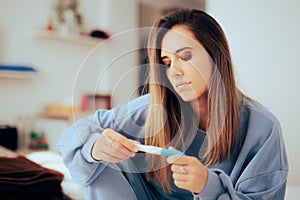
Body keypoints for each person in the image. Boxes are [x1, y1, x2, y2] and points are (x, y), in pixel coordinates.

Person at [57, 9, 288, 199]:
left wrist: (208, 186)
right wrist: (96, 148)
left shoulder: (262, 129)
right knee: (98, 153)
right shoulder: (149, 110)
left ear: (215, 55)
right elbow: (73, 136)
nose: (174, 72)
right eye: (166, 62)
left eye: (185, 57)